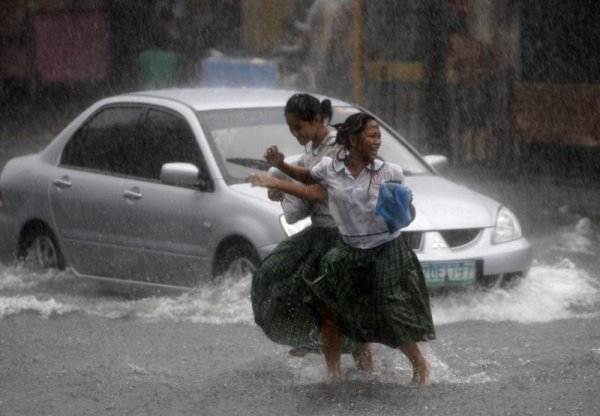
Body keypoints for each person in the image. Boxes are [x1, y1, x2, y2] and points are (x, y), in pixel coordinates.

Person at [248, 112, 435, 385]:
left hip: (385, 248)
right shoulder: (329, 168)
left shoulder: (389, 172)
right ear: (353, 139)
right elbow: (308, 177)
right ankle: (334, 375)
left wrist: (404, 208)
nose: (377, 141)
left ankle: (420, 366)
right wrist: (281, 167)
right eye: (372, 136)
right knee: (331, 311)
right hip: (348, 250)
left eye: (379, 136)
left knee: (388, 311)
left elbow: (408, 215)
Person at [251, 94, 373, 379]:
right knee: (275, 278)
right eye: (291, 129)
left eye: (299, 127)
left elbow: (320, 192)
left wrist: (278, 180)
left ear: (318, 119)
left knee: (336, 312)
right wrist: (280, 176)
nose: (296, 134)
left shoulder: (336, 148)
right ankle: (343, 368)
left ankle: (339, 378)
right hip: (320, 236)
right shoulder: (313, 146)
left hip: (342, 238)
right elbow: (307, 180)